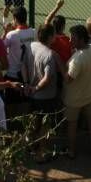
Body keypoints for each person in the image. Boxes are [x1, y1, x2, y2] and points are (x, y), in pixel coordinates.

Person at [64, 25, 91, 160]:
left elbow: (68, 80)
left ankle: (72, 151)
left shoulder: (76, 59)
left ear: (81, 39)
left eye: (73, 38)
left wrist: (59, 65)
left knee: (72, 124)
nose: (70, 40)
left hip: (74, 98)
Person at [22, 24, 60, 163]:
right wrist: (36, 88)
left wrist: (27, 84)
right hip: (46, 97)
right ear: (50, 37)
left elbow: (23, 65)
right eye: (54, 34)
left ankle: (30, 146)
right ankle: (41, 154)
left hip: (32, 96)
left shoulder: (30, 46)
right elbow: (47, 78)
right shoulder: (49, 54)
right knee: (45, 126)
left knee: (33, 122)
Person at [2, 6, 35, 118]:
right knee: (25, 101)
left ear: (15, 19)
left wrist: (6, 29)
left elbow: (2, 47)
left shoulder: (11, 35)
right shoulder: (33, 32)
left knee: (11, 103)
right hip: (28, 74)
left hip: (12, 74)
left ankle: (12, 126)